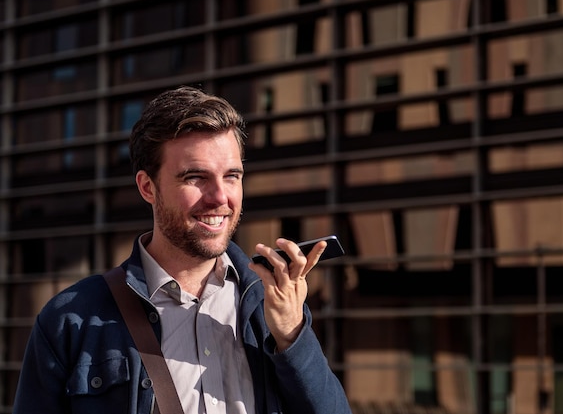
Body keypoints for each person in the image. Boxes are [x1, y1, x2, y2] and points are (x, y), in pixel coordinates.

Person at [12, 86, 352, 414]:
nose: (220, 197)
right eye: (195, 177)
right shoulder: (70, 320)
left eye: (232, 176)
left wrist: (292, 335)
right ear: (148, 187)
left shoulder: (269, 303)